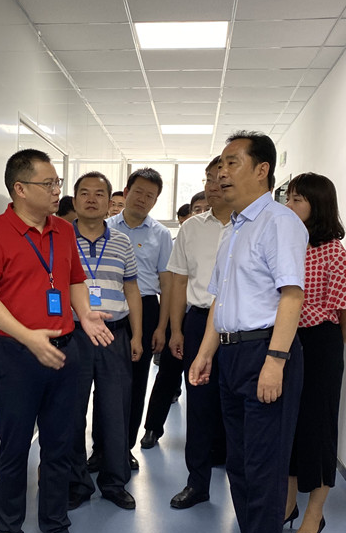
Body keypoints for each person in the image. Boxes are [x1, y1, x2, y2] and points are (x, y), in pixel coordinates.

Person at [0, 149, 113, 533]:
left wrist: (85, 314)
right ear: (20, 189)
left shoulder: (63, 231)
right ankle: (9, 529)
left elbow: (74, 280)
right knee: (15, 447)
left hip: (66, 350)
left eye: (57, 183)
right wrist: (27, 336)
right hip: (18, 354)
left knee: (60, 445)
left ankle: (55, 530)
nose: (56, 191)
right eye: (48, 184)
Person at [191, 131, 308, 533]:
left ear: (262, 170)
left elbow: (291, 295)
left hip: (265, 352)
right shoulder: (235, 227)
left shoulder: (279, 223)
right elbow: (220, 300)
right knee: (239, 464)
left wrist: (275, 361)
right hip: (232, 354)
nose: (222, 172)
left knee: (263, 467)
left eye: (233, 163)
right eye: (220, 164)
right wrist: (205, 353)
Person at [282, 173, 346, 533]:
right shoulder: (287, 245)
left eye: (297, 200)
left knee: (318, 428)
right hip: (285, 341)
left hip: (320, 345)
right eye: (288, 198)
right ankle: (287, 504)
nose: (289, 206)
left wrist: (326, 347)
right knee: (288, 425)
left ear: (318, 205)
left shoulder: (334, 254)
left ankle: (314, 513)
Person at [66, 172, 143, 511]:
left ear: (110, 200)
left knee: (115, 410)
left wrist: (137, 335)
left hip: (114, 333)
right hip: (73, 334)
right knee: (71, 412)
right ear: (75, 199)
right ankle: (76, 483)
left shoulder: (122, 242)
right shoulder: (59, 239)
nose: (92, 199)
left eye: (99, 193)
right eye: (84, 193)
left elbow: (132, 289)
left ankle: (114, 482)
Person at [166, 158, 229, 509]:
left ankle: (241, 487)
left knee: (236, 406)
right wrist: (177, 329)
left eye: (220, 178)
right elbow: (178, 281)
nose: (212, 185)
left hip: (238, 327)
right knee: (199, 404)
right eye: (208, 179)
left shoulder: (251, 225)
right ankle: (197, 482)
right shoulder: (191, 229)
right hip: (198, 320)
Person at [107, 169, 183, 456]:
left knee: (137, 382)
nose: (142, 199)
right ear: (126, 192)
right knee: (105, 380)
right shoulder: (105, 226)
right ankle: (102, 448)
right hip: (110, 308)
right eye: (138, 192)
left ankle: (125, 448)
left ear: (155, 201)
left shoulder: (161, 234)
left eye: (150, 196)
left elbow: (167, 283)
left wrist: (162, 327)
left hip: (148, 306)